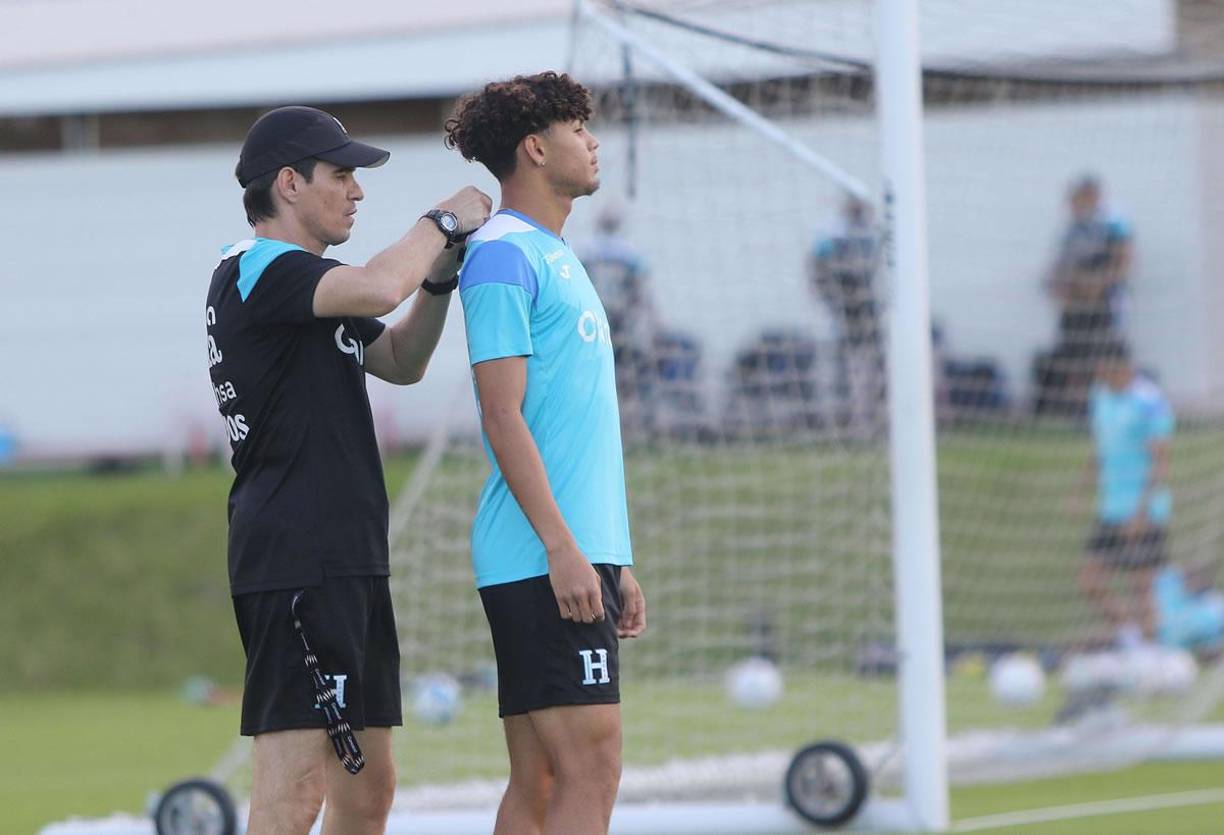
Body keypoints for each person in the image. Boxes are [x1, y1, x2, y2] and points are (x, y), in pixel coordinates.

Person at [204, 105, 490, 835]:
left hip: (349, 559)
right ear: (290, 184)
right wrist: (443, 221)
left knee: (367, 790)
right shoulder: (258, 270)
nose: (357, 191)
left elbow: (400, 360)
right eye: (342, 175)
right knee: (294, 793)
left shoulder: (310, 286)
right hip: (298, 559)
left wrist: (438, 281)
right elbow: (375, 287)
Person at [445, 72, 648, 835]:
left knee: (543, 780)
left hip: (568, 549)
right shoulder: (501, 256)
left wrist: (610, 554)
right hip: (540, 555)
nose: (593, 143)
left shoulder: (554, 253)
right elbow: (502, 415)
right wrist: (565, 550)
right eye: (577, 130)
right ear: (536, 147)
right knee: (590, 768)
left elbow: (575, 424)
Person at [1072, 339, 1173, 648]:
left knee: (1141, 586)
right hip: (1111, 509)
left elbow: (1161, 461)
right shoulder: (1100, 396)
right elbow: (1102, 447)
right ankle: (1132, 641)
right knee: (1090, 581)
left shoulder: (1149, 401)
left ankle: (1157, 655)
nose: (1098, 375)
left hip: (1143, 512)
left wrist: (1142, 512)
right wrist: (1080, 489)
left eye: (1102, 369)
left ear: (1120, 367)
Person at [1042, 175, 1134, 416]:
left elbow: (1123, 262)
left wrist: (1097, 283)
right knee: (1074, 357)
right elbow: (1060, 269)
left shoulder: (1112, 225)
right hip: (1075, 307)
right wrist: (1062, 286)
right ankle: (1080, 410)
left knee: (1106, 357)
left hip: (1103, 306)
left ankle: (1114, 406)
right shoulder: (1071, 231)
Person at [807, 194, 885, 435]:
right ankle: (854, 418)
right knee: (851, 365)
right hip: (845, 307)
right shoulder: (832, 234)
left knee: (872, 363)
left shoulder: (872, 232)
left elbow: (876, 266)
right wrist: (827, 296)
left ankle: (871, 416)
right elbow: (815, 266)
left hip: (866, 306)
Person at [578, 202, 659, 433]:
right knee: (623, 376)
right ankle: (624, 424)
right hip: (620, 323)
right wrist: (652, 321)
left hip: (594, 323)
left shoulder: (586, 250)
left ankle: (603, 423)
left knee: (600, 374)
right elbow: (641, 292)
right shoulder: (630, 253)